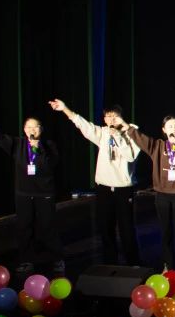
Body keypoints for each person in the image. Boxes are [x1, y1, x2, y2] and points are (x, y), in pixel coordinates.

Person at [0, 114, 63, 274]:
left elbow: (49, 165)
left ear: (41, 129)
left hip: (44, 193)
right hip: (23, 193)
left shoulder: (49, 145)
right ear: (24, 130)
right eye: (29, 127)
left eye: (35, 126)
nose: (32, 130)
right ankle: (26, 260)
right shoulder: (18, 144)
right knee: (24, 227)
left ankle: (57, 258)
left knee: (47, 226)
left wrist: (38, 148)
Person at [50, 100, 141, 265]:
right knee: (106, 227)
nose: (111, 119)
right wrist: (65, 109)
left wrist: (118, 136)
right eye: (108, 116)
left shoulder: (132, 132)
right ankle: (110, 263)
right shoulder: (103, 133)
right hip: (104, 188)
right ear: (104, 119)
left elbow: (130, 156)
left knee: (126, 228)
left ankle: (133, 263)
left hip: (123, 189)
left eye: (115, 116)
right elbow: (83, 124)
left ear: (121, 117)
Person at [127, 115, 175, 274]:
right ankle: (168, 265)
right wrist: (127, 127)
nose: (174, 129)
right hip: (162, 195)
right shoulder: (157, 146)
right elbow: (141, 139)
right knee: (165, 231)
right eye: (171, 126)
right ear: (164, 130)